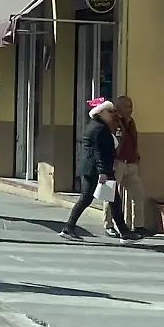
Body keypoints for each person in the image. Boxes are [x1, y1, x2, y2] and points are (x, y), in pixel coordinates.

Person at [61, 98, 135, 242]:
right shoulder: (99, 129)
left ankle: (124, 232)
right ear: (101, 112)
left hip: (94, 169)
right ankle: (124, 233)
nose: (113, 114)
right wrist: (103, 171)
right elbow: (99, 152)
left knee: (108, 199)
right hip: (99, 171)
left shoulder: (97, 126)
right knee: (98, 199)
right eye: (110, 111)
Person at [105, 95, 145, 237]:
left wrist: (136, 157)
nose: (130, 110)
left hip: (131, 163)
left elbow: (133, 140)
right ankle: (109, 225)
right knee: (111, 194)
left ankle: (138, 225)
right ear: (118, 108)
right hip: (118, 163)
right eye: (127, 107)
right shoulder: (113, 122)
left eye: (131, 106)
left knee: (138, 195)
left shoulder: (131, 122)